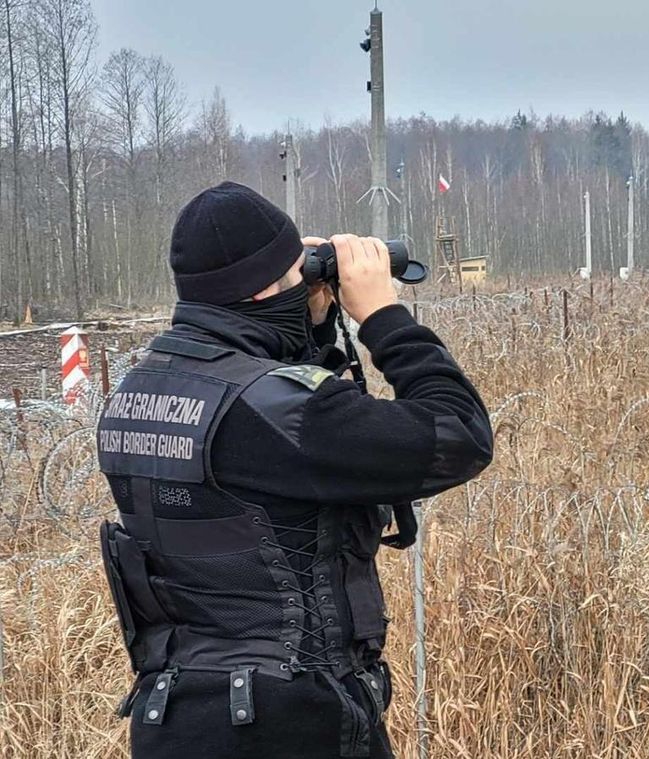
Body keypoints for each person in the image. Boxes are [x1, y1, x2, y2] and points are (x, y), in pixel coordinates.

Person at [95, 181, 493, 758]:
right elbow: (459, 434)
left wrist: (310, 325)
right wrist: (383, 316)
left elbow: (274, 445)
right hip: (291, 722)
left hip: (175, 718)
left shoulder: (134, 394)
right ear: (262, 292)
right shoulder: (281, 414)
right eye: (294, 274)